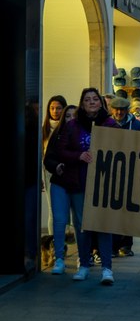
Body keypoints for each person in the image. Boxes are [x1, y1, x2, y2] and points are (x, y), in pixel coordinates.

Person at [57, 87, 118, 285]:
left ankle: (107, 268)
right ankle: (83, 265)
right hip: (79, 182)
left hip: (103, 184)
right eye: (87, 99)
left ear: (101, 102)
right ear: (82, 104)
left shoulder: (111, 125)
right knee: (82, 226)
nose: (91, 102)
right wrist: (78, 156)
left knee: (103, 225)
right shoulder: (72, 126)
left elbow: (122, 150)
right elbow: (61, 151)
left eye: (95, 99)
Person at [42, 104, 77, 274]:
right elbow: (48, 160)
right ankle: (59, 258)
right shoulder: (56, 136)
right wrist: (56, 167)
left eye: (74, 116)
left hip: (79, 183)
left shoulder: (85, 136)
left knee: (79, 221)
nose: (71, 119)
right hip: (59, 182)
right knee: (59, 220)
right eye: (68, 116)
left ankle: (83, 258)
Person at [109, 95, 140, 257]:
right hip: (111, 173)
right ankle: (114, 245)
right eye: (116, 109)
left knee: (127, 210)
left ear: (126, 110)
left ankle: (127, 245)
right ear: (112, 110)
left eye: (122, 110)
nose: (119, 112)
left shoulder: (136, 125)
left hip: (130, 172)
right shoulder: (107, 124)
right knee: (113, 210)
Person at [40, 95, 68, 269]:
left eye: (58, 108)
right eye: (52, 108)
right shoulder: (43, 129)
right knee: (53, 211)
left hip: (67, 170)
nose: (55, 111)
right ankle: (55, 246)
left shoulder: (68, 127)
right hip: (48, 172)